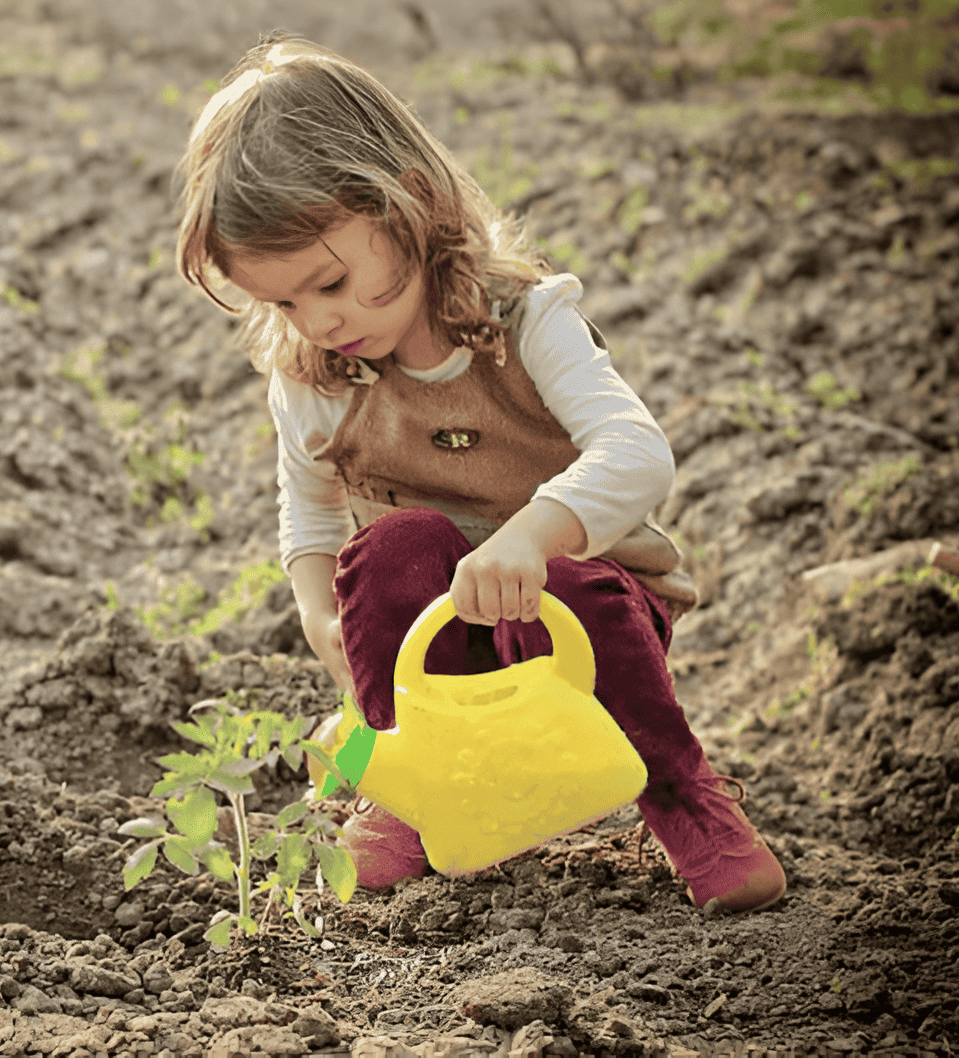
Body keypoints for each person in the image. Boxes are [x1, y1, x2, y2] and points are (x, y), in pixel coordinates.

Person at [173, 32, 785, 913]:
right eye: (284, 301)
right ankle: (406, 790)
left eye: (332, 283)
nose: (317, 321)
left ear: (411, 206)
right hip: (434, 638)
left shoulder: (527, 323)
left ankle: (684, 797)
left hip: (583, 621)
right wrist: (318, 615)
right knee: (390, 550)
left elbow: (638, 452)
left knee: (569, 586)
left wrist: (530, 538)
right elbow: (307, 510)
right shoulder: (315, 375)